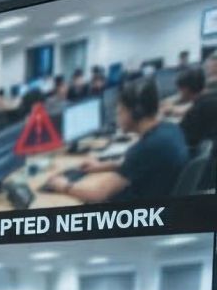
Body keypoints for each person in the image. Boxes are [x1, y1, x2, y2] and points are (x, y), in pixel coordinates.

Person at [45, 79, 188, 203]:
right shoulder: (170, 129)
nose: (117, 117)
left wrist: (64, 186)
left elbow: (99, 194)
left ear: (135, 112)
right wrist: (101, 166)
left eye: (120, 111)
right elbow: (139, 164)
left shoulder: (146, 148)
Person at [180, 63, 217, 150]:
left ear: (185, 90)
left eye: (180, 90)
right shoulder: (213, 95)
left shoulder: (195, 112)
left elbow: (185, 139)